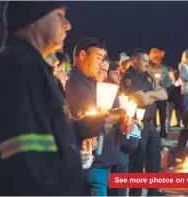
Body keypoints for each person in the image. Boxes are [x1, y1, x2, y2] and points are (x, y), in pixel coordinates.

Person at [0, 2, 85, 195]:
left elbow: (50, 132)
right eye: (59, 15)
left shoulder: (35, 68)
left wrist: (91, 125)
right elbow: (25, 157)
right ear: (33, 20)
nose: (67, 24)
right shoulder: (15, 67)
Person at [65, 38, 132, 196]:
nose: (101, 63)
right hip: (92, 161)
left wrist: (122, 121)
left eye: (103, 58)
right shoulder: (75, 82)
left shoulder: (93, 82)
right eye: (98, 57)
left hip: (107, 157)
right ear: (82, 55)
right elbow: (87, 121)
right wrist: (117, 115)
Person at [120, 49, 168, 196]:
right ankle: (136, 192)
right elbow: (142, 100)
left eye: (148, 61)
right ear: (135, 59)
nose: (147, 64)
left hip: (150, 124)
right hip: (135, 123)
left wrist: (148, 94)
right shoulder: (129, 77)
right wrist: (152, 95)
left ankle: (153, 192)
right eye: (144, 61)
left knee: (153, 158)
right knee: (137, 159)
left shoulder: (148, 76)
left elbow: (164, 94)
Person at [104, 61, 140, 196]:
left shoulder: (119, 91)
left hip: (123, 147)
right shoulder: (105, 92)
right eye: (115, 72)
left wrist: (133, 121)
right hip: (114, 145)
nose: (119, 75)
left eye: (120, 72)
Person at [148, 48, 172, 139]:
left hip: (162, 95)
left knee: (162, 115)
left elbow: (169, 82)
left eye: (159, 57)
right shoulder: (147, 68)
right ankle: (153, 133)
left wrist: (163, 85)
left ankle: (163, 132)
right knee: (152, 115)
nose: (158, 59)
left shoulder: (164, 69)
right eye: (156, 57)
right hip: (152, 96)